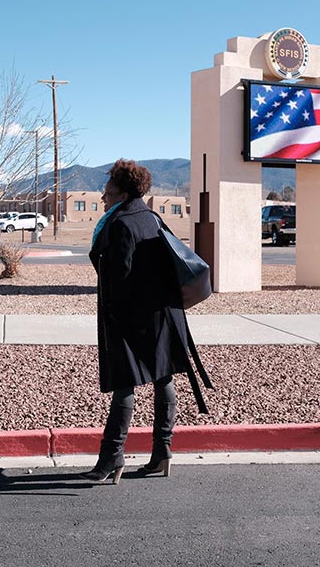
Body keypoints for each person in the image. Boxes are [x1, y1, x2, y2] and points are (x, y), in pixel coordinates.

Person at [81, 159, 210, 484]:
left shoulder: (121, 224)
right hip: (166, 315)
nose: (102, 195)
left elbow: (119, 280)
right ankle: (161, 453)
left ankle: (111, 459)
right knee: (163, 378)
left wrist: (113, 318)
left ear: (123, 192)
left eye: (108, 190)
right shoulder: (151, 217)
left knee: (124, 382)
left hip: (136, 318)